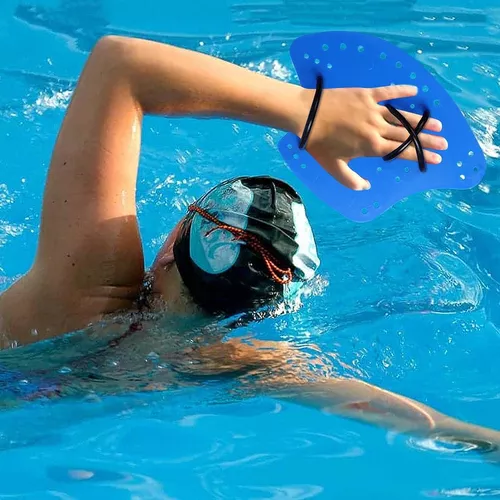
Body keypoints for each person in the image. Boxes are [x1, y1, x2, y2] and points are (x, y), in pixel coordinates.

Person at [1, 34, 499, 455]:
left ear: (179, 239)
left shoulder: (85, 291)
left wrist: (308, 110)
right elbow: (365, 402)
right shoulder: (218, 361)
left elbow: (120, 65)